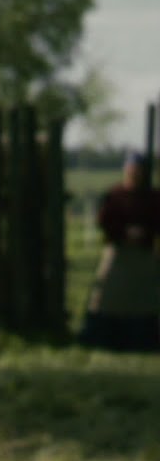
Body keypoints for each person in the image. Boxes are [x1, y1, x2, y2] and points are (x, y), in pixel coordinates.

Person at [77, 150, 160, 353]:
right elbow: (105, 221)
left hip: (143, 256)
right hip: (119, 253)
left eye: (138, 171)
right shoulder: (115, 195)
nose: (134, 174)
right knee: (108, 298)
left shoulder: (153, 198)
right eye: (131, 170)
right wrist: (123, 233)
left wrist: (144, 233)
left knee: (142, 300)